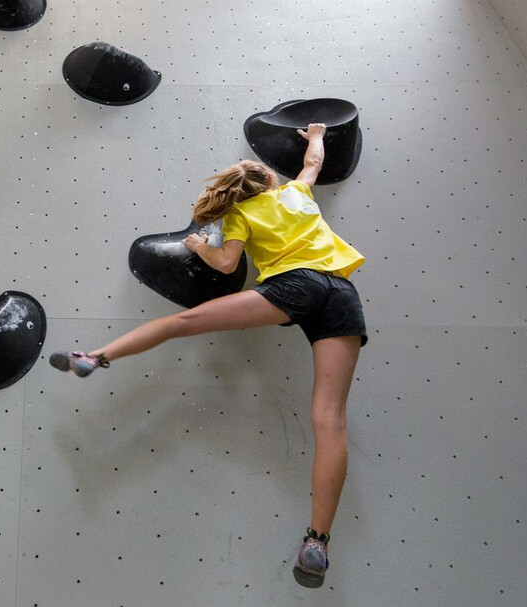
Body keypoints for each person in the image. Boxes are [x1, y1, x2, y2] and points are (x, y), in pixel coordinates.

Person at [49, 123, 366, 588]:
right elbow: (313, 163)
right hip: (341, 293)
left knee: (184, 323)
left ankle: (95, 357)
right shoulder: (298, 193)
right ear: (272, 182)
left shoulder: (239, 216)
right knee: (331, 420)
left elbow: (226, 264)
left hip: (293, 285)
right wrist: (315, 134)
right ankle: (317, 542)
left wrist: (199, 242)